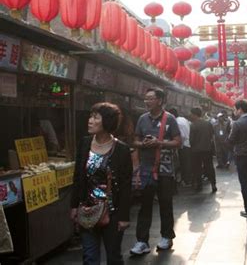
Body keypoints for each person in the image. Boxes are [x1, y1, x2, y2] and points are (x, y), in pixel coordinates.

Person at [70, 102, 132, 265]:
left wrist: (124, 217)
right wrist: (74, 206)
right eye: (91, 116)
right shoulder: (84, 143)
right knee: (89, 257)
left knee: (113, 257)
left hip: (112, 213)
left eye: (95, 117)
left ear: (108, 121)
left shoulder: (122, 150)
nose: (90, 121)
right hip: (87, 209)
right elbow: (78, 177)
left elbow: (126, 186)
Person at [130, 88, 181, 255]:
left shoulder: (170, 119)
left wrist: (159, 143)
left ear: (159, 100)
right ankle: (142, 241)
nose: (147, 101)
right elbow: (135, 140)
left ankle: (167, 236)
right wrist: (143, 144)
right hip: (146, 168)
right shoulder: (142, 119)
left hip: (165, 169)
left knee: (165, 203)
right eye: (145, 98)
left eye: (150, 98)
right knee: (145, 205)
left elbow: (177, 142)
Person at [189, 107, 218, 192]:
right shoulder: (208, 123)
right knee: (209, 167)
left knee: (197, 168)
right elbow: (212, 136)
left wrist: (192, 146)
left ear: (194, 115)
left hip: (196, 150)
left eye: (191, 114)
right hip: (207, 149)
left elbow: (191, 140)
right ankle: (213, 184)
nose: (190, 115)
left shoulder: (193, 125)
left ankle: (199, 185)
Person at [168, 108, 192, 186]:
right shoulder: (183, 119)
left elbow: (182, 136)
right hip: (187, 144)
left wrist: (177, 146)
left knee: (185, 164)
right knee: (186, 163)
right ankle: (186, 179)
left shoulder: (177, 122)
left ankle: (186, 181)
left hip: (184, 146)